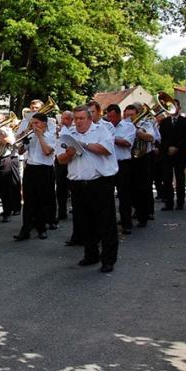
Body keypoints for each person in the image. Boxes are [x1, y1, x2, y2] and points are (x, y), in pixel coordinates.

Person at [56, 106, 119, 273]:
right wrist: (69, 153)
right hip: (77, 184)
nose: (78, 122)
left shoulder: (101, 130)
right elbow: (61, 160)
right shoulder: (68, 134)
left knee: (105, 223)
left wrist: (83, 145)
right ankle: (91, 254)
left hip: (99, 183)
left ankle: (108, 259)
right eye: (75, 119)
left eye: (81, 118)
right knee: (84, 222)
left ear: (90, 119)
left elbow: (106, 150)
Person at [14, 112, 56, 240]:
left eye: (36, 123)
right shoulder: (31, 135)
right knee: (28, 201)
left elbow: (47, 151)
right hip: (30, 168)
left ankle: (41, 228)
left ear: (44, 123)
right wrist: (23, 140)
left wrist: (40, 136)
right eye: (32, 123)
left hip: (44, 169)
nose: (34, 126)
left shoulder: (50, 136)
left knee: (41, 200)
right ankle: (25, 230)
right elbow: (21, 151)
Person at [124, 103, 156, 228]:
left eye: (131, 115)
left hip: (143, 158)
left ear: (137, 114)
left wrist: (137, 131)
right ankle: (134, 212)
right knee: (130, 188)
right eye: (127, 115)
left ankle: (144, 216)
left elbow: (151, 138)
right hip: (129, 158)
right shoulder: (123, 124)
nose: (129, 118)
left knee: (143, 188)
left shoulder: (145, 124)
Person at [107, 104, 136, 234]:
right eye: (108, 117)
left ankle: (126, 223)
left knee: (124, 195)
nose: (110, 119)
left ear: (119, 115)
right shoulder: (106, 126)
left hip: (123, 164)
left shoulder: (128, 126)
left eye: (112, 116)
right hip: (109, 164)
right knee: (108, 196)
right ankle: (110, 224)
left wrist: (110, 137)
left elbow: (126, 143)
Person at [158, 100, 186, 210]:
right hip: (166, 153)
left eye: (175, 106)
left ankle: (180, 202)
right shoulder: (164, 122)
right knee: (167, 178)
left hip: (180, 153)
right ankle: (169, 203)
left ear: (179, 108)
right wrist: (168, 147)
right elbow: (161, 137)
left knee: (180, 178)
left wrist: (176, 147)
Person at [55, 111, 73, 221]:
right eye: (62, 118)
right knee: (60, 187)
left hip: (71, 160)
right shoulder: (58, 129)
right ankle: (62, 211)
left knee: (72, 186)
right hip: (59, 160)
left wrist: (62, 131)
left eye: (66, 119)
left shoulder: (74, 130)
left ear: (71, 120)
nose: (63, 121)